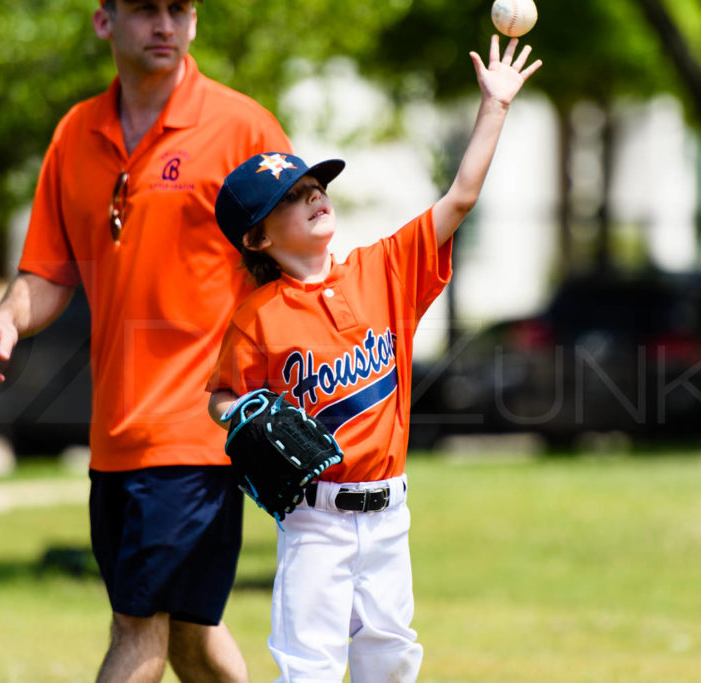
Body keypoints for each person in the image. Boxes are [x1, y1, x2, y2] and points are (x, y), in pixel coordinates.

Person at [0, 1, 291, 681]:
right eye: (145, 9)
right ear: (104, 21)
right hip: (115, 434)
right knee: (190, 636)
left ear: (196, 22)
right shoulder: (74, 133)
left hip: (198, 429)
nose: (164, 26)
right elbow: (47, 273)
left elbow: (298, 266)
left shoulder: (243, 130)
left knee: (136, 628)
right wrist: (6, 318)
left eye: (178, 9)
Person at [206, 34, 541, 682]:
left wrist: (494, 108)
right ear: (259, 236)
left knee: (389, 664)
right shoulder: (258, 315)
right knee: (310, 670)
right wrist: (245, 411)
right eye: (293, 198)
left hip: (388, 514)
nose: (314, 197)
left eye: (315, 186)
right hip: (316, 521)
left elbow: (460, 199)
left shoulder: (384, 269)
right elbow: (221, 394)